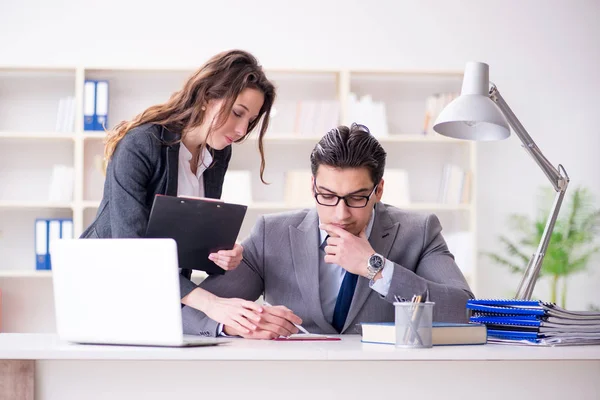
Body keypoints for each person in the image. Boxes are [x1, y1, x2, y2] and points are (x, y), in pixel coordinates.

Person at [81, 49, 299, 336]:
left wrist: (222, 257)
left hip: (162, 293)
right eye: (237, 113)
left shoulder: (218, 153)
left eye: (250, 120)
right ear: (207, 97)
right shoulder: (141, 145)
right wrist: (213, 305)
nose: (242, 129)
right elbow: (131, 250)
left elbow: (189, 242)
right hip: (106, 286)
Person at [186, 123, 474, 339]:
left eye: (357, 198)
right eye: (327, 195)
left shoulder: (419, 232)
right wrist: (237, 323)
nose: (341, 213)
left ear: (379, 190)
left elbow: (465, 311)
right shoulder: (271, 234)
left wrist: (376, 268)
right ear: (312, 187)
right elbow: (190, 312)